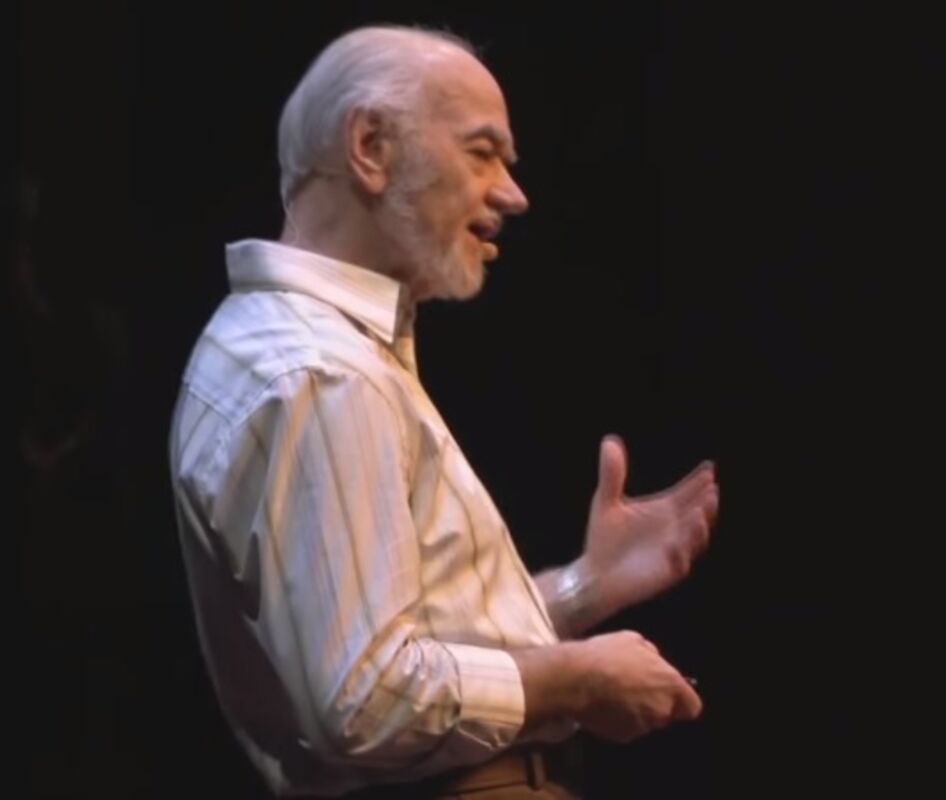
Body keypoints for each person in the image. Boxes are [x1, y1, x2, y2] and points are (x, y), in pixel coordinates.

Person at [168, 24, 719, 799]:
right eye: (482, 153)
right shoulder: (323, 373)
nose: (513, 194)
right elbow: (366, 699)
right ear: (370, 147)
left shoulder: (291, 346)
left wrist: (581, 590)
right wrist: (578, 679)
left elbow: (394, 640)